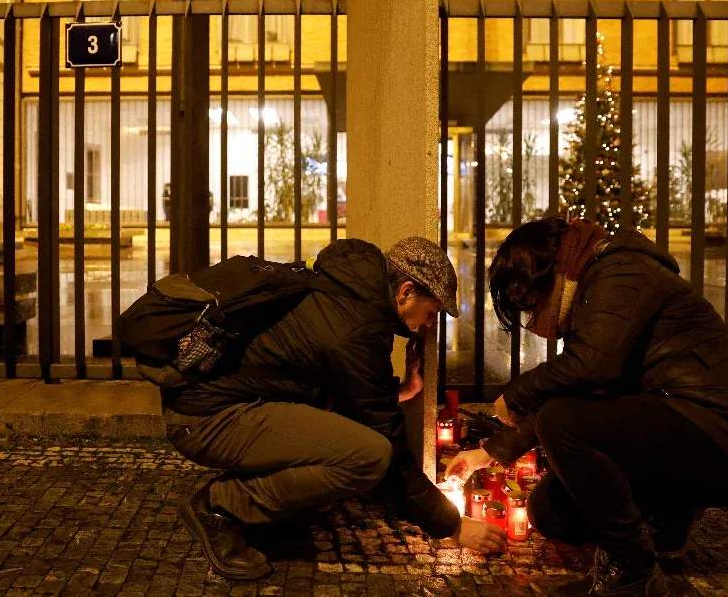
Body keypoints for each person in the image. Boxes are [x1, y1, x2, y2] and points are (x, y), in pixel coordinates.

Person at [445, 218, 728, 597]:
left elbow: (592, 366)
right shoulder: (592, 285)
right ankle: (666, 516)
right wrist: (493, 451)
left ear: (547, 272)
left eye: (529, 306)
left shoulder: (619, 271)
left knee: (563, 422)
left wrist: (517, 394)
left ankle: (633, 572)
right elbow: (594, 388)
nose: (533, 324)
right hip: (677, 423)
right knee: (549, 510)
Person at [159, 237, 506, 579]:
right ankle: (221, 506)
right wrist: (451, 525)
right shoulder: (360, 326)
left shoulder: (345, 292)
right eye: (431, 313)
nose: (429, 325)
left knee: (345, 438)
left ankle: (266, 511)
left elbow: (349, 396)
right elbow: (389, 447)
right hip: (206, 418)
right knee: (369, 456)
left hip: (218, 403)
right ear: (405, 291)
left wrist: (401, 391)